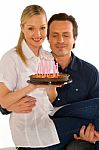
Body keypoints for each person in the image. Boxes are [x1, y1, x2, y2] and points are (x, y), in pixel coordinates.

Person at [0, 11, 99, 150]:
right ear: (48, 38)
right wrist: (8, 106)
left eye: (66, 35)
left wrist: (90, 132)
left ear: (74, 38)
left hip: (71, 135)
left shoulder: (89, 72)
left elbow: (94, 111)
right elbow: (4, 102)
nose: (60, 41)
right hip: (42, 128)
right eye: (55, 35)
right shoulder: (37, 61)